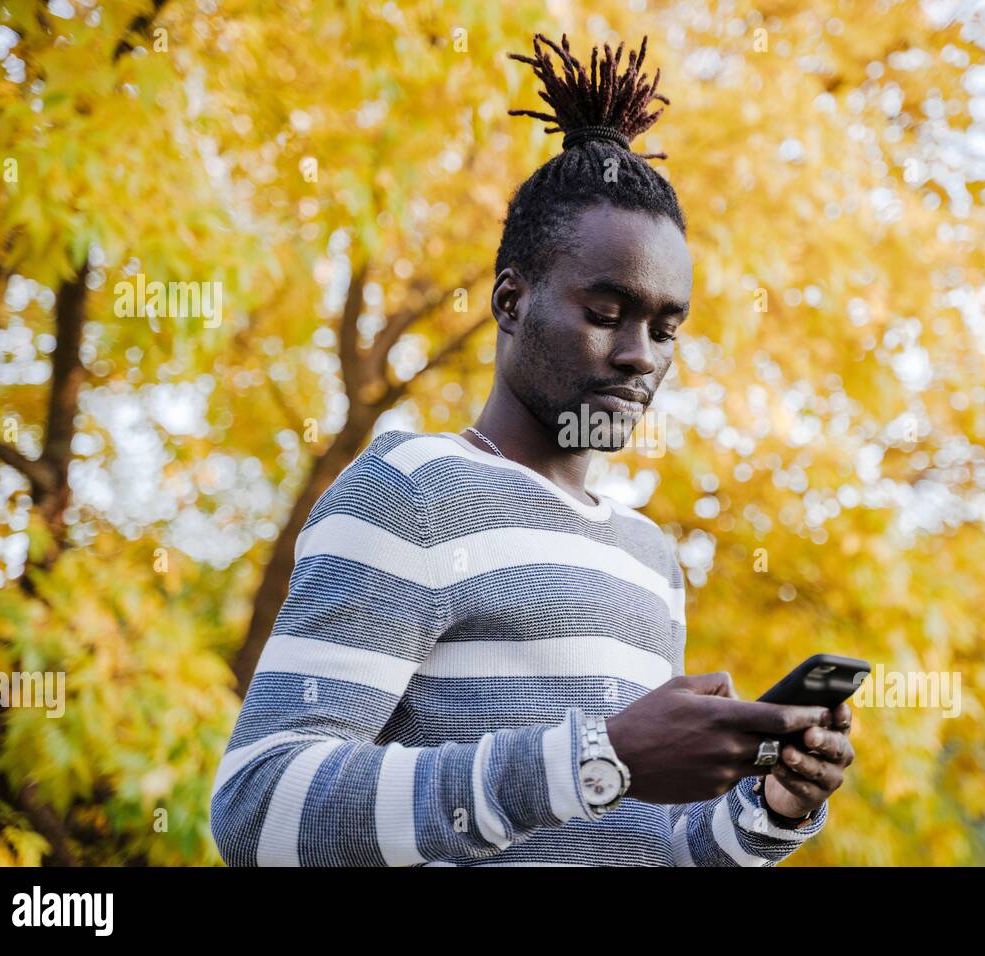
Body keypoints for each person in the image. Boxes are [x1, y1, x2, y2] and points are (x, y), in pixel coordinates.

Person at [210, 31, 855, 866]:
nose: (640, 356)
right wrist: (603, 757)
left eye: (666, 328)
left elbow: (634, 846)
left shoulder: (649, 557)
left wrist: (768, 807)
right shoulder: (411, 493)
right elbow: (259, 811)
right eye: (605, 313)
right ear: (510, 302)